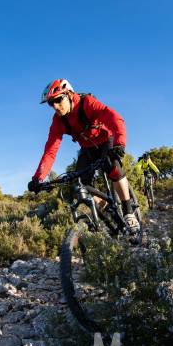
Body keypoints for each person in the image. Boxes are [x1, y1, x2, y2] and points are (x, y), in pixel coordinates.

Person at [28, 78, 140, 233]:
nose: (55, 106)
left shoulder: (87, 103)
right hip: (87, 148)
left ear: (68, 94)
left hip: (106, 140)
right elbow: (50, 151)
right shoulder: (58, 121)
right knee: (81, 185)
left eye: (58, 100)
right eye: (51, 103)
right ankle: (108, 209)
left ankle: (128, 212)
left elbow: (115, 118)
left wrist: (120, 143)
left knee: (112, 166)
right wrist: (38, 178)